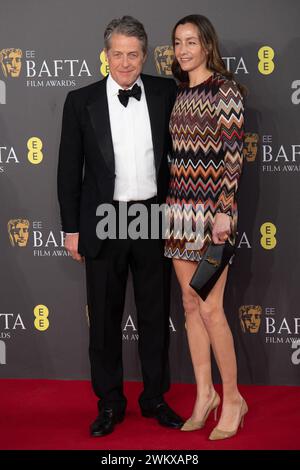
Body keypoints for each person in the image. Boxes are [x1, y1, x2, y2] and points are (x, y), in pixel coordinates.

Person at [57, 15, 183, 437]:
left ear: (144, 55)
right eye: (117, 54)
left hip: (151, 214)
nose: (125, 63)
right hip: (105, 217)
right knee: (106, 319)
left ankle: (155, 398)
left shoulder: (167, 92)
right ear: (105, 54)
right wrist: (71, 227)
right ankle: (110, 402)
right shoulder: (81, 100)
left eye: (133, 55)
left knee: (154, 314)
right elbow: (67, 170)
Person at [164, 14, 247, 440]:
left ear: (207, 45)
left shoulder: (225, 90)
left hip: (213, 214)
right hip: (179, 212)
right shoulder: (180, 93)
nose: (183, 49)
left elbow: (233, 155)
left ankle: (233, 398)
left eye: (191, 41)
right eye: (178, 42)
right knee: (190, 304)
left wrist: (225, 210)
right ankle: (204, 395)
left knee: (212, 308)